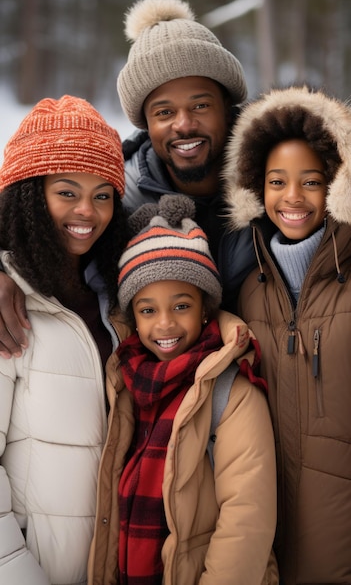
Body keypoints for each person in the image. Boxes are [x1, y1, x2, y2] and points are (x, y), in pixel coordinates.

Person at [0, 0, 257, 357]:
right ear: (146, 122)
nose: (184, 124)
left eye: (200, 105)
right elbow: (26, 224)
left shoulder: (277, 184)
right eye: (164, 112)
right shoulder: (119, 198)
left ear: (228, 108)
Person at [87, 194, 278, 585]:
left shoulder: (230, 388)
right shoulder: (125, 383)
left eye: (181, 306)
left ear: (205, 307)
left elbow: (246, 516)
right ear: (133, 318)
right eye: (147, 310)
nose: (164, 325)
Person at [221, 85, 351, 584]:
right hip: (268, 539)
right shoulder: (249, 289)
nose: (292, 198)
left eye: (311, 181)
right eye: (277, 181)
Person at [0, 95, 130, 585]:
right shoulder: (10, 305)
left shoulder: (116, 300)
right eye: (67, 192)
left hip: (107, 565)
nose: (87, 211)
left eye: (103, 194)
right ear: (31, 195)